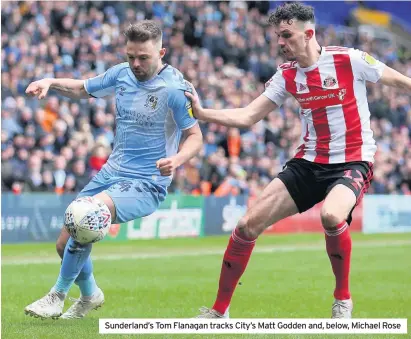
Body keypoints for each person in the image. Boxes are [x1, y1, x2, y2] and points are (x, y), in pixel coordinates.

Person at [186, 2, 411, 319]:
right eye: (278, 36)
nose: (280, 42)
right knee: (246, 225)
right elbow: (249, 115)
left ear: (308, 34)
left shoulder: (350, 59)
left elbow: (400, 81)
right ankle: (218, 312)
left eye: (286, 35)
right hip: (308, 162)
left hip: (353, 161)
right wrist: (204, 113)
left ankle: (342, 299)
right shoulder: (287, 75)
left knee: (332, 216)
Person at [24, 20, 203, 319]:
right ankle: (91, 294)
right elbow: (83, 89)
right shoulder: (121, 73)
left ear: (161, 52)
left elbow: (195, 136)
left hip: (147, 182)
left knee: (86, 215)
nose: (135, 63)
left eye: (143, 57)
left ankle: (57, 295)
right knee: (64, 241)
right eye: (130, 55)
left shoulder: (174, 88)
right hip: (111, 172)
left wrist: (179, 159)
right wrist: (50, 81)